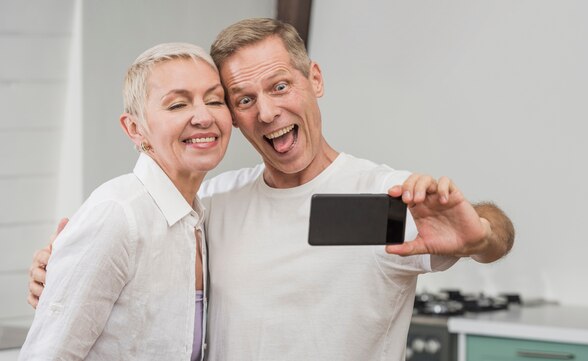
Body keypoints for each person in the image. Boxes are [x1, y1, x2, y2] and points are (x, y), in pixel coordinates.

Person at [28, 18, 514, 360]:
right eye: (242, 99)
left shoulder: (381, 197)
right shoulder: (213, 205)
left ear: (314, 79)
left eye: (280, 86)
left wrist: (480, 235)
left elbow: (493, 234)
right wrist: (65, 264)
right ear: (233, 116)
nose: (265, 112)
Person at [20, 43, 232, 361]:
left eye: (215, 100)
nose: (203, 116)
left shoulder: (202, 219)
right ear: (134, 129)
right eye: (177, 105)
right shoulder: (117, 215)